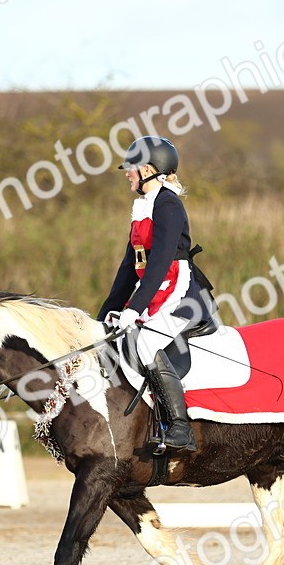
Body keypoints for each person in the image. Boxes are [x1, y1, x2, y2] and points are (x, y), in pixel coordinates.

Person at [96, 136, 215, 454]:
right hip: (154, 286)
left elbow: (160, 263)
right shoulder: (144, 206)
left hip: (178, 291)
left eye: (131, 168)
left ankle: (180, 427)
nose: (127, 173)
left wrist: (134, 309)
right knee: (114, 336)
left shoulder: (167, 205)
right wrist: (104, 315)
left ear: (148, 170)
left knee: (147, 343)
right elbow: (129, 267)